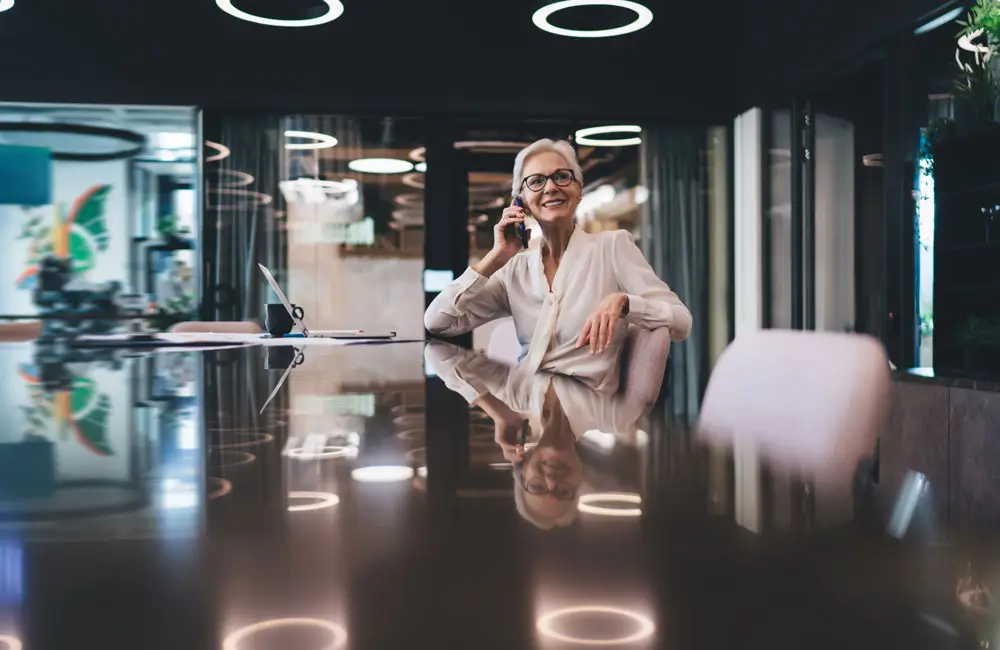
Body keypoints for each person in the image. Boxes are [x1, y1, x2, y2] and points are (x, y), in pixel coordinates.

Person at [424, 138, 691, 393]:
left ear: (578, 190)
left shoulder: (612, 247)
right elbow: (438, 322)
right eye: (536, 181)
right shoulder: (515, 270)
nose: (551, 187)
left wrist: (624, 302)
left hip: (586, 421)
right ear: (521, 202)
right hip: (527, 415)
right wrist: (496, 255)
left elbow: (681, 321)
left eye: (561, 176)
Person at [425, 340, 650, 530]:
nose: (551, 480)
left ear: (523, 470)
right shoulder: (612, 416)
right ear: (580, 477)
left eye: (537, 486)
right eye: (563, 491)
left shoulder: (517, 395)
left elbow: (436, 352)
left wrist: (499, 414)